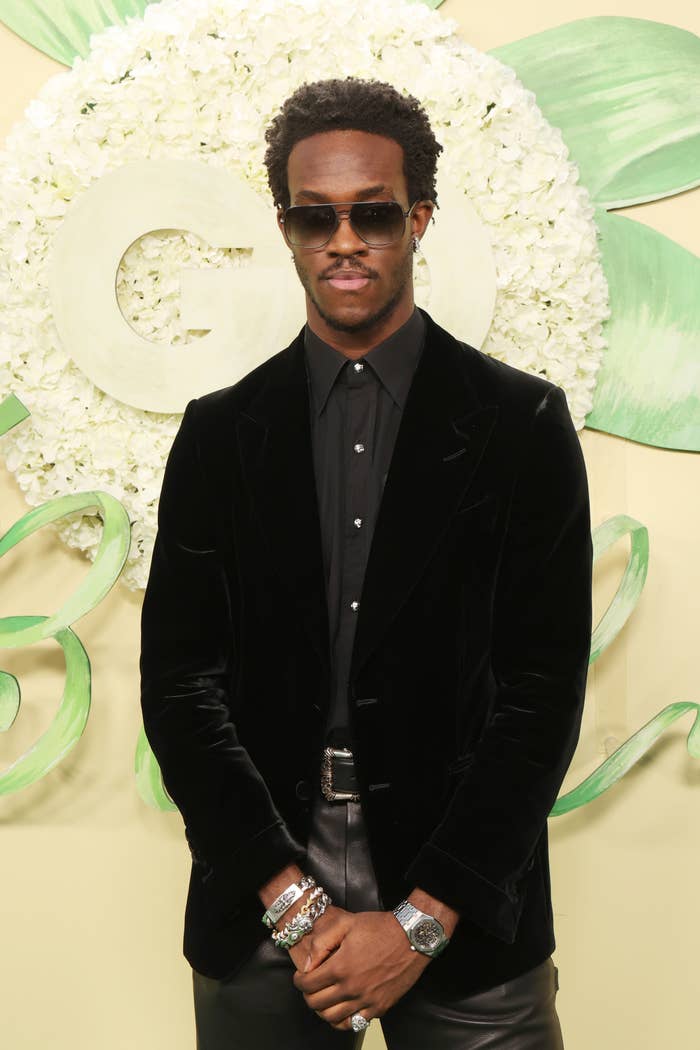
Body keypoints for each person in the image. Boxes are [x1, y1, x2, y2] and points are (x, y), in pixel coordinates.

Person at [140, 77, 592, 1049]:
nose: (343, 241)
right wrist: (290, 902)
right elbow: (180, 689)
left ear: (418, 218)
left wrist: (423, 918)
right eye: (316, 218)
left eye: (373, 215)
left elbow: (539, 695)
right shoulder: (219, 438)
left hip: (465, 909)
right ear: (287, 229)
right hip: (261, 909)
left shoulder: (522, 427)